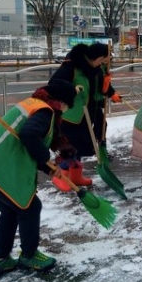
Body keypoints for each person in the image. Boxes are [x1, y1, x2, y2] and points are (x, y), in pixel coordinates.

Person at [0, 79, 77, 279]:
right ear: (61, 101)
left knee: (11, 210)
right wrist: (46, 159)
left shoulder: (33, 103)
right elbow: (29, 135)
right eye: (67, 106)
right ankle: (29, 256)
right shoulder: (45, 111)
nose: (65, 112)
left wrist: (48, 169)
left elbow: (29, 142)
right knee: (30, 208)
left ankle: (1, 261)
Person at [49, 42, 121, 185]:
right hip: (71, 115)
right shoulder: (71, 66)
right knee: (71, 146)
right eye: (102, 60)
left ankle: (75, 176)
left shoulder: (95, 67)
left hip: (88, 112)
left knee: (83, 144)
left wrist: (110, 91)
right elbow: (54, 84)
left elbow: (99, 84)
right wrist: (73, 89)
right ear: (96, 57)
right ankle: (61, 175)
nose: (102, 63)